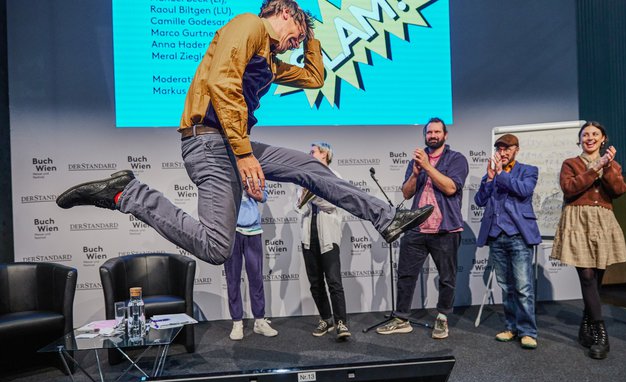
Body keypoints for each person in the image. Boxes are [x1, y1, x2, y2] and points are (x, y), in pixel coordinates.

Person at [55, 0, 433, 266]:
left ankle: (386, 218)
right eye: (297, 32)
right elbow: (223, 83)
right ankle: (128, 193)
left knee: (309, 168)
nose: (296, 44)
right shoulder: (249, 25)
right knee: (218, 248)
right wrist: (244, 154)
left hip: (231, 144)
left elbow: (315, 77)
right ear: (285, 12)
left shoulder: (268, 58)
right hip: (209, 143)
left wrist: (312, 36)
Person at [376, 117, 468, 339]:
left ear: (445, 135)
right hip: (416, 227)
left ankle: (442, 318)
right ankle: (401, 318)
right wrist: (417, 173)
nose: (433, 136)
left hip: (445, 229)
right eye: (429, 133)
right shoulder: (416, 161)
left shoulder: (457, 159)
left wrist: (427, 166)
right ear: (425, 136)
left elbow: (450, 188)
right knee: (406, 275)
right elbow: (407, 193)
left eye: (437, 132)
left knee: (447, 277)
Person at [551, 121, 626, 360]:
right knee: (586, 276)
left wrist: (607, 167)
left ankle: (586, 323)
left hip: (602, 220)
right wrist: (595, 167)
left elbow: (618, 190)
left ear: (603, 138)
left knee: (597, 278)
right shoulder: (571, 163)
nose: (590, 137)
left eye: (595, 134)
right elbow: (569, 188)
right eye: (585, 134)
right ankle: (600, 332)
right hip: (577, 219)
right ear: (580, 139)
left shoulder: (612, 164)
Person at [474, 134, 542, 349]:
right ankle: (511, 327)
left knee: (523, 286)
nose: (502, 152)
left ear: (516, 150)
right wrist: (489, 178)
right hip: (496, 236)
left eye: (507, 148)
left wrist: (501, 175)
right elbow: (479, 200)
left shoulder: (529, 170)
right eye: (499, 148)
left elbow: (524, 191)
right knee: (506, 286)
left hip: (518, 236)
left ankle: (528, 331)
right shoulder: (493, 174)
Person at [296, 142, 350, 340]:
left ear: (325, 154)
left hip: (329, 236)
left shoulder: (335, 177)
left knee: (334, 281)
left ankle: (341, 322)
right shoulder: (304, 177)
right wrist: (308, 192)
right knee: (315, 282)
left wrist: (312, 193)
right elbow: (299, 205)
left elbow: (331, 203)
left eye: (313, 151)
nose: (309, 154)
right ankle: (326, 319)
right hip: (308, 237)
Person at [225, 184, 277, 341]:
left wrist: (250, 189)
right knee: (232, 279)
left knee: (256, 279)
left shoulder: (254, 172)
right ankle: (237, 322)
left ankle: (259, 321)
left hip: (253, 231)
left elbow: (264, 197)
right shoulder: (225, 173)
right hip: (231, 232)